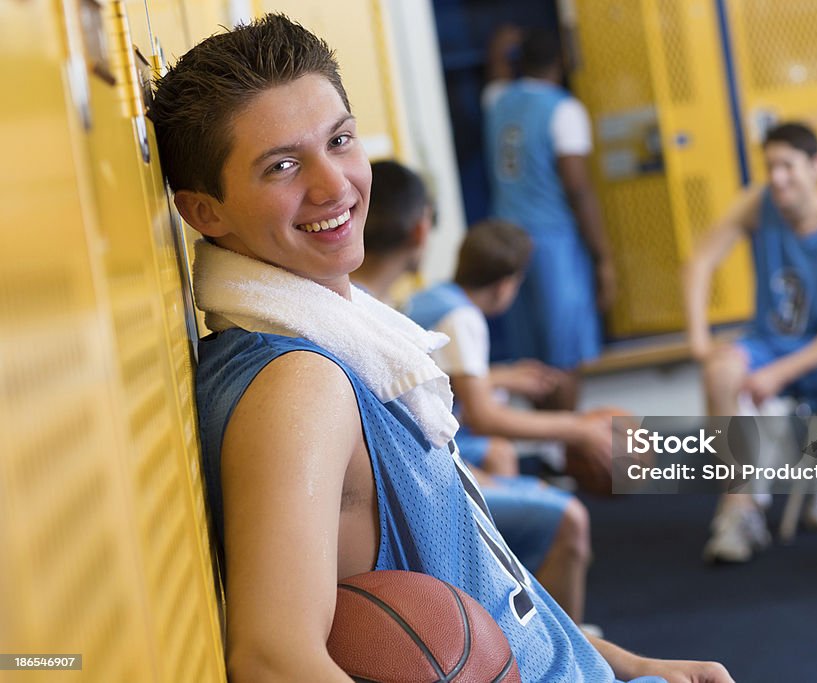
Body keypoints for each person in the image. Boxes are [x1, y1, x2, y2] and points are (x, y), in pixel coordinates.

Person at [149, 14, 731, 682]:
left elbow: (491, 587)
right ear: (205, 212)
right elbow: (274, 660)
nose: (334, 184)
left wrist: (628, 664)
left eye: (340, 140)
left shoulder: (349, 346)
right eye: (281, 165)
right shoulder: (300, 386)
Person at [353, 160, 593, 624]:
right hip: (409, 497)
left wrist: (501, 377)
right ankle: (559, 640)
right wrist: (578, 429)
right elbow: (479, 416)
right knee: (569, 517)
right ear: (422, 231)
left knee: (501, 458)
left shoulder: (399, 305)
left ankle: (509, 606)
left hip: (402, 481)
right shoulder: (446, 316)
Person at [683, 122, 817, 563]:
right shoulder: (759, 203)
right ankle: (741, 505)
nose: (778, 178)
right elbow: (699, 262)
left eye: (788, 166)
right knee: (719, 372)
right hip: (770, 340)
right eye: (771, 167)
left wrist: (780, 373)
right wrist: (698, 342)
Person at [483, 29, 614, 410]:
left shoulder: (497, 98)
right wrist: (603, 257)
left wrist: (500, 47)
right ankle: (568, 452)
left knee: (532, 359)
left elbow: (496, 71)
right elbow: (578, 189)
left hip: (507, 243)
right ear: (562, 61)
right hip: (552, 243)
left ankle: (549, 451)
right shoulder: (564, 109)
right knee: (564, 357)